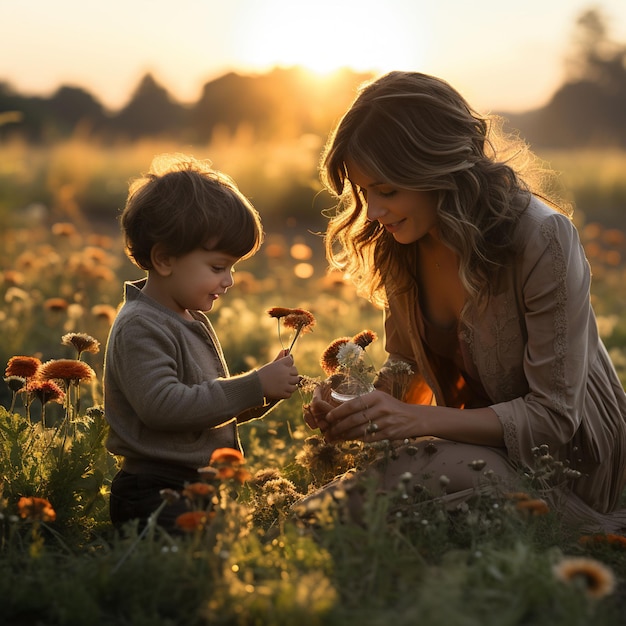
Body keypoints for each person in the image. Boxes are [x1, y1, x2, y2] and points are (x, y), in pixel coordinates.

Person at [305, 71, 626, 531]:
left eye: (388, 190)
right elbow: (406, 370)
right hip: (467, 443)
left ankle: (575, 519)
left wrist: (414, 420)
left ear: (437, 168)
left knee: (335, 514)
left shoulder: (543, 238)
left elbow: (554, 420)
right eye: (363, 191)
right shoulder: (400, 241)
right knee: (340, 514)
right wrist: (353, 407)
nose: (372, 212)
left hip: (566, 459)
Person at [104, 154, 300, 532]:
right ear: (164, 259)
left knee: (235, 541)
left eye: (233, 268)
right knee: (203, 552)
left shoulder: (190, 320)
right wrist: (253, 384)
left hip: (196, 485)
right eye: (217, 267)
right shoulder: (140, 326)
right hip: (154, 490)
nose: (229, 280)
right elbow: (164, 407)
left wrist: (264, 394)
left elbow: (204, 412)